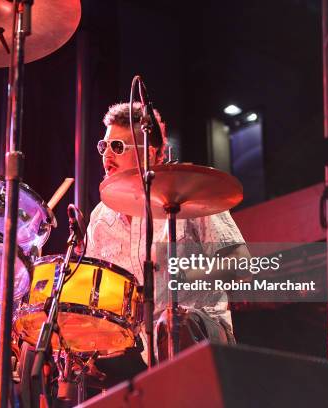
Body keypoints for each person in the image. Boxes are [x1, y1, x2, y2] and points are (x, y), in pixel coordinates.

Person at [86, 102, 250, 367]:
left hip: (202, 331)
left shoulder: (187, 189)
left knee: (173, 323)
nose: (107, 156)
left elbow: (240, 262)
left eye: (117, 147)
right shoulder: (100, 218)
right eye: (103, 147)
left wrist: (184, 275)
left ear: (149, 153)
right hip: (137, 346)